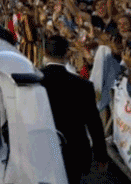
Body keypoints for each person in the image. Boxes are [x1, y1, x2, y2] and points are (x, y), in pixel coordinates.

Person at [39, 34, 108, 184]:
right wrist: (101, 156)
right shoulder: (83, 86)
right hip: (74, 152)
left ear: (45, 52)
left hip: (39, 149)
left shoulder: (32, 81)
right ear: (67, 53)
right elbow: (94, 124)